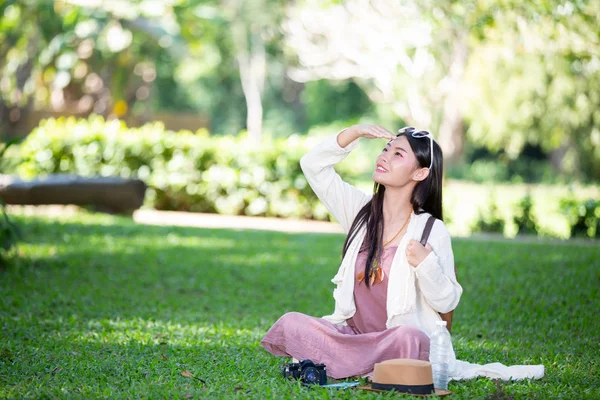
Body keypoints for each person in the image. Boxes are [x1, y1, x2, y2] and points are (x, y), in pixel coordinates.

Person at [260, 124, 463, 379]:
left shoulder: (431, 230)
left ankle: (347, 363)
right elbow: (312, 165)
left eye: (398, 154)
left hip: (396, 340)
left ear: (420, 173)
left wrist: (426, 265)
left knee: (410, 338)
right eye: (385, 150)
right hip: (353, 337)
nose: (384, 157)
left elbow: (447, 302)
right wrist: (354, 132)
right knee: (292, 322)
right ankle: (362, 363)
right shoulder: (361, 211)